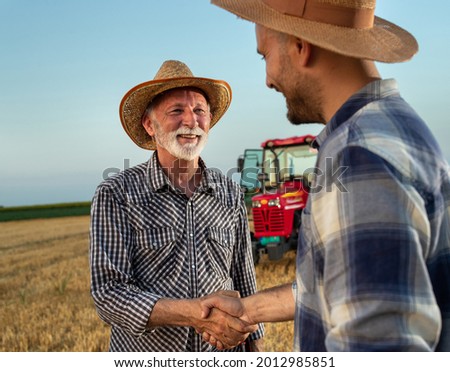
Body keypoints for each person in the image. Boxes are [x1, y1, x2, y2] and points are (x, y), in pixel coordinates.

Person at [202, 0, 450, 351]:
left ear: (301, 47)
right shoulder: (398, 124)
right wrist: (248, 308)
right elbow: (342, 281)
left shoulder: (358, 159)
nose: (268, 79)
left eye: (264, 56)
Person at [89, 60, 264, 351]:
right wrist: (196, 314)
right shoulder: (116, 194)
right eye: (176, 111)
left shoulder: (230, 193)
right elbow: (109, 294)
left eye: (199, 110)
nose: (191, 121)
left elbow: (243, 278)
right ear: (149, 125)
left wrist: (256, 347)